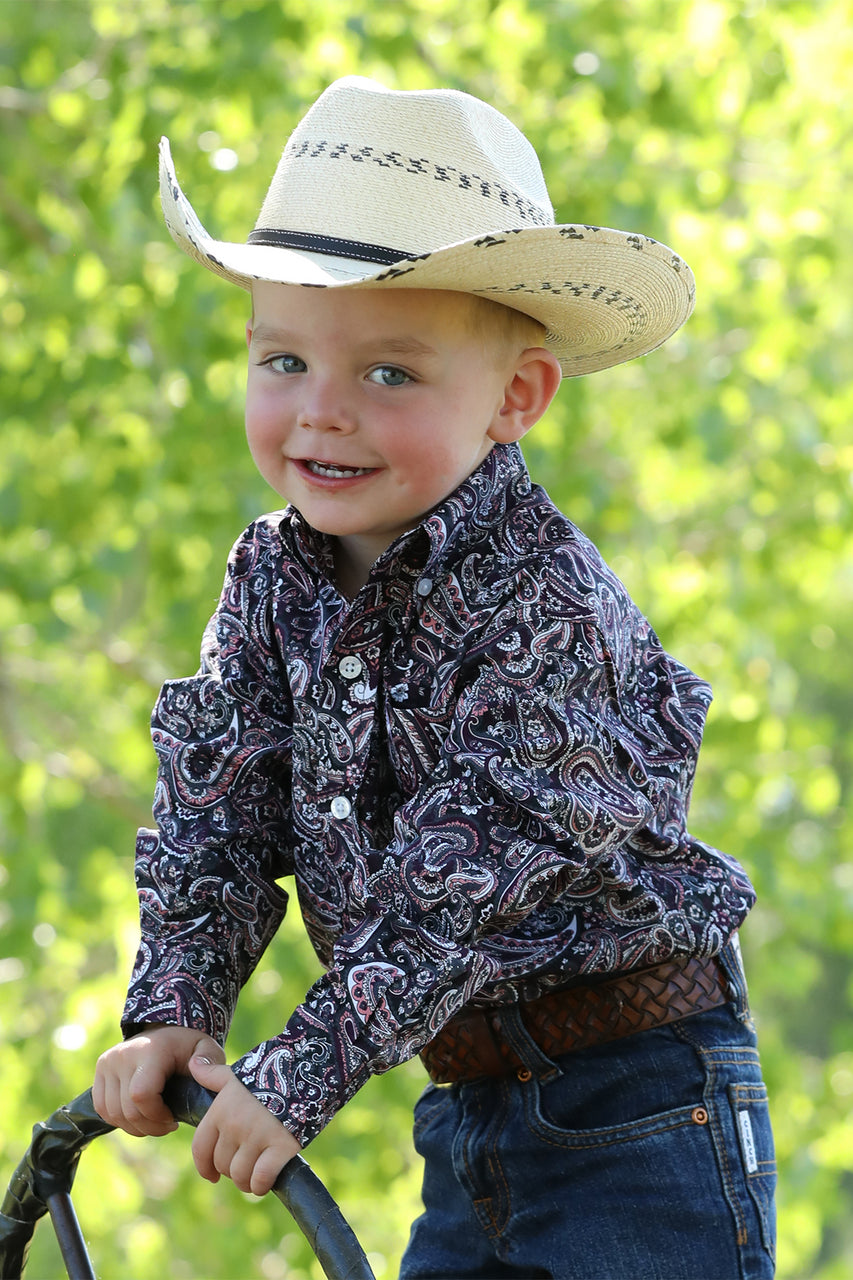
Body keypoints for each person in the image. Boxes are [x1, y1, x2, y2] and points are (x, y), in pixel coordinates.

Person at [92, 76, 776, 1278]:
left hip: (638, 1103)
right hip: (463, 1101)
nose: (322, 414)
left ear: (514, 397)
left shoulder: (543, 603)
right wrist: (178, 1008)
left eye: (389, 375)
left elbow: (453, 885)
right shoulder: (270, 580)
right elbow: (220, 813)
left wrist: (297, 1071)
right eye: (285, 359)